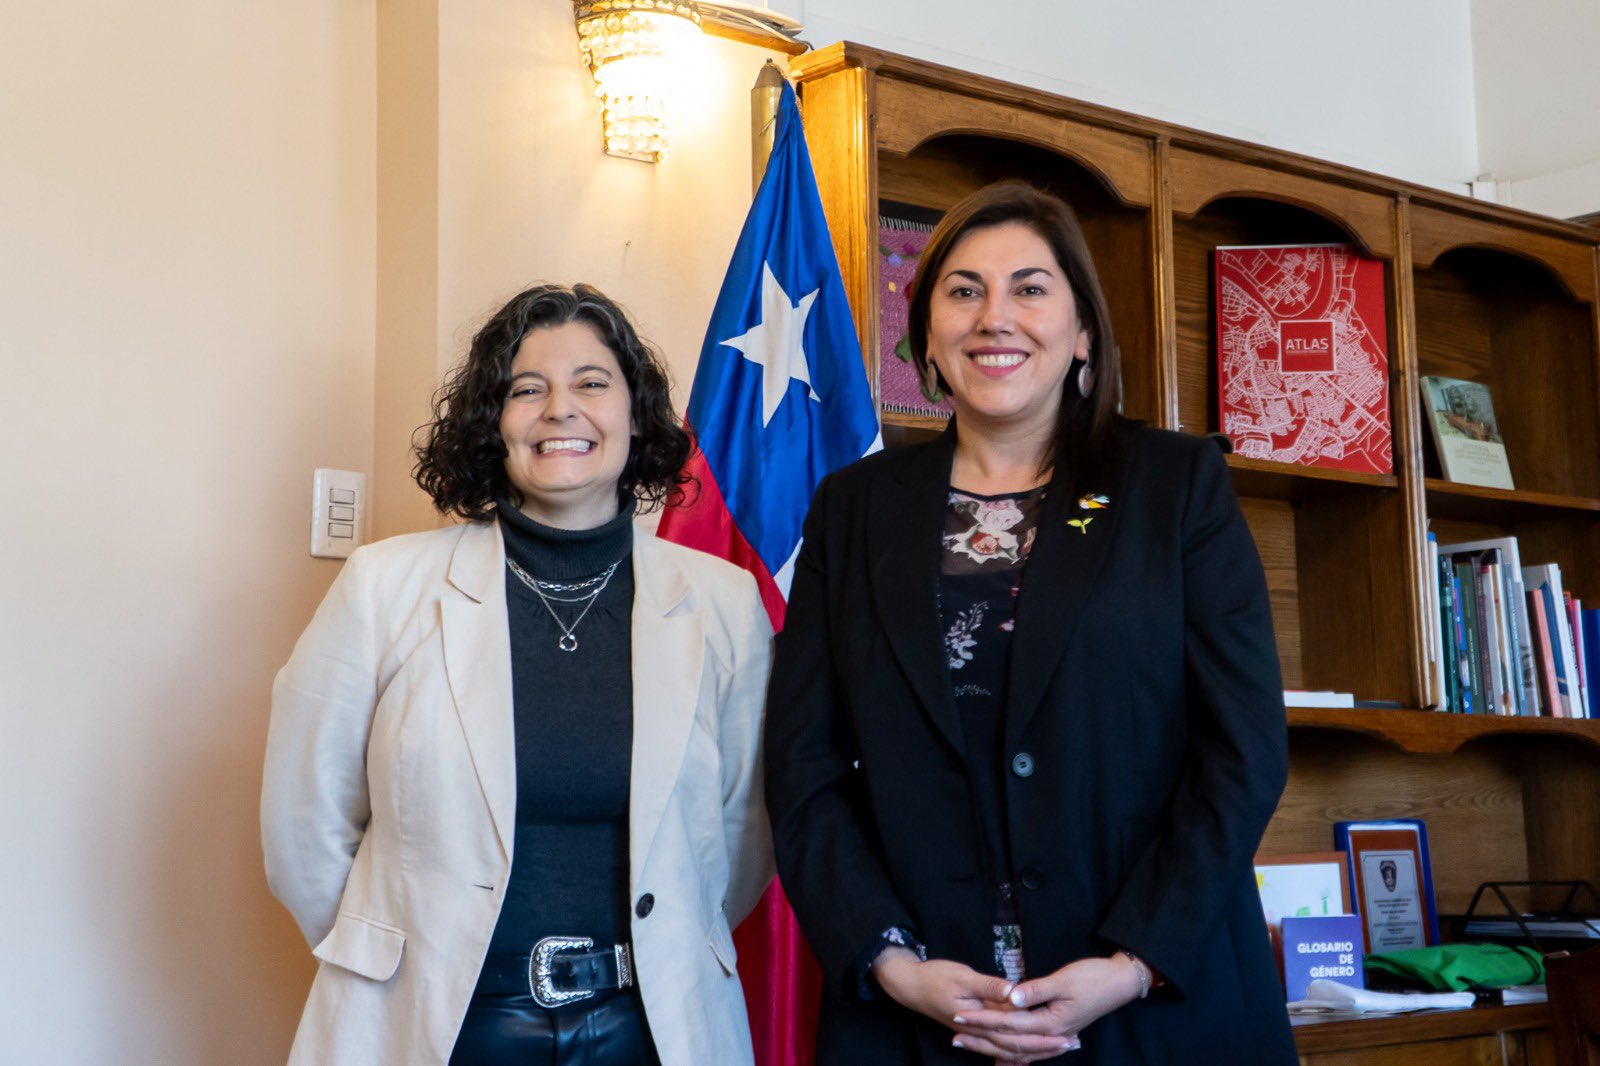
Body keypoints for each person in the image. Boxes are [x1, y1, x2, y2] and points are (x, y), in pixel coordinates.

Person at [765, 181, 1295, 1064]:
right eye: (963, 291)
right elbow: (803, 765)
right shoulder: (852, 510)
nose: (994, 317)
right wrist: (891, 962)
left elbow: (1244, 750)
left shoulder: (1175, 487)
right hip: (916, 1012)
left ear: (1082, 331)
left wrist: (1133, 963)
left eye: (1030, 288)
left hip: (1153, 1005)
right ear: (927, 333)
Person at [262, 283, 773, 1066]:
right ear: (492, 423)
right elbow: (304, 823)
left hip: (653, 1027)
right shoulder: (382, 586)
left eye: (592, 383)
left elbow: (743, 832)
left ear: (637, 416)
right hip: (437, 1021)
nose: (560, 409)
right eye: (526, 389)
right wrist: (393, 953)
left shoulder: (725, 603)